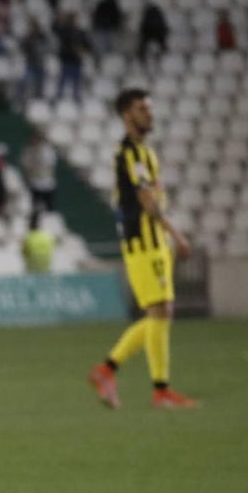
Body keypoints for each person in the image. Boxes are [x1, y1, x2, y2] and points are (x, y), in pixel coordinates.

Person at [88, 88, 196, 410]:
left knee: (161, 312)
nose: (149, 113)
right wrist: (178, 235)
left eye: (149, 107)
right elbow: (147, 202)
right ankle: (157, 389)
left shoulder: (144, 152)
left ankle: (109, 371)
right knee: (159, 312)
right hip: (143, 242)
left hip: (153, 242)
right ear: (126, 115)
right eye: (141, 109)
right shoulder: (129, 154)